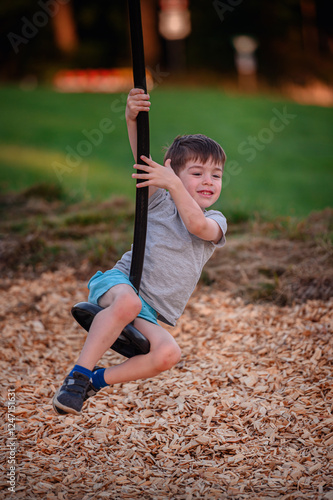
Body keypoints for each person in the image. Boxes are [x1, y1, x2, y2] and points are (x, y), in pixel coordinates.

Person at [53, 88, 227, 415]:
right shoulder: (160, 200)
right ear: (171, 171)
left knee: (167, 354)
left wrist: (176, 184)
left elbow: (196, 227)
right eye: (197, 173)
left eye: (216, 175)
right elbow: (141, 159)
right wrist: (132, 117)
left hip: (146, 312)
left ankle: (96, 381)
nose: (209, 181)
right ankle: (77, 376)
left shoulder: (216, 221)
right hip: (119, 285)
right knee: (129, 301)